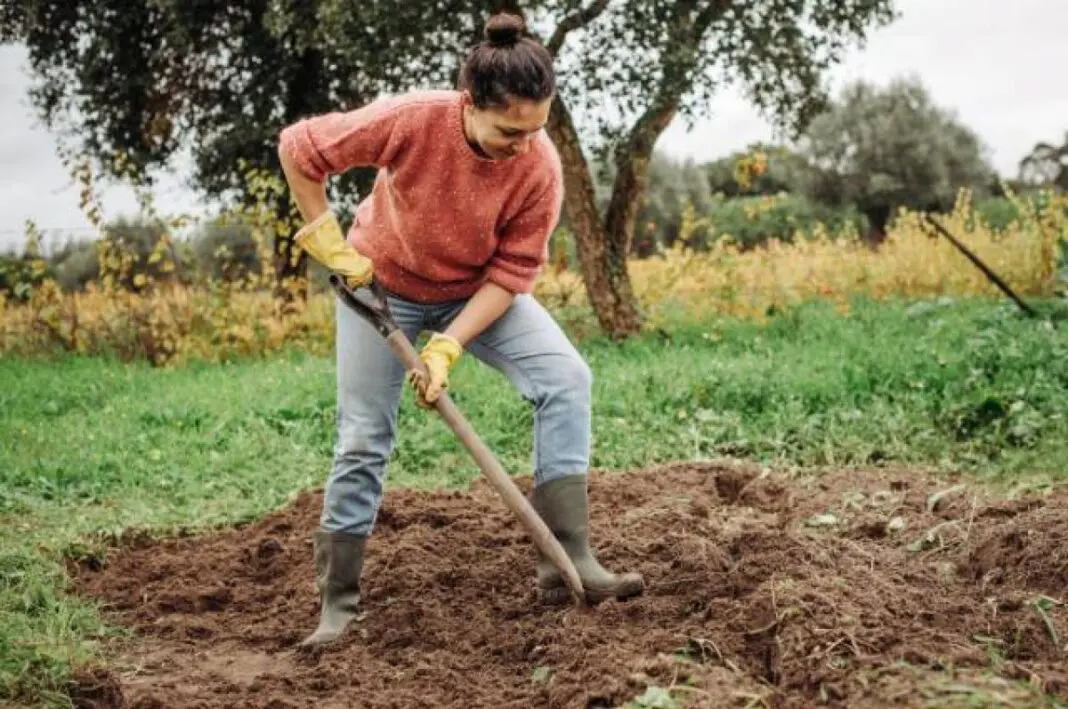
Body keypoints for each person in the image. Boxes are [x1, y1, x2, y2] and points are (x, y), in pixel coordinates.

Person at [277, 10, 644, 648]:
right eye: (509, 130)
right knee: (364, 436)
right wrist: (331, 244)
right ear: (469, 104)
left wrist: (451, 343)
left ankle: (569, 560)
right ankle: (338, 603)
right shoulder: (416, 117)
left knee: (565, 378)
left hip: (474, 292)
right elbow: (300, 149)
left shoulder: (541, 169)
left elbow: (511, 272)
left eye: (537, 129)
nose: (524, 144)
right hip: (377, 287)